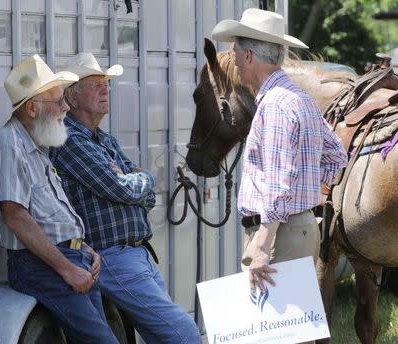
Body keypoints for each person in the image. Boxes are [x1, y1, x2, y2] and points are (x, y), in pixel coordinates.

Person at [50, 52, 201, 344]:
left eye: (106, 84)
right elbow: (122, 188)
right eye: (96, 84)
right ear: (72, 96)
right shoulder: (69, 138)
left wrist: (136, 182)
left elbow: (145, 195)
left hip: (133, 254)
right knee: (183, 334)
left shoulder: (102, 138)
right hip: (111, 256)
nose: (105, 89)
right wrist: (136, 181)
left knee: (165, 336)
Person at [0, 54, 119, 344]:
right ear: (32, 108)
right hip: (40, 265)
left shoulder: (38, 145)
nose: (66, 108)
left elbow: (50, 216)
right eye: (58, 101)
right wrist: (67, 269)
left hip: (70, 258)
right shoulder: (8, 144)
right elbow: (15, 216)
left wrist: (84, 248)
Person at [211, 9, 348, 294]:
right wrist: (303, 190)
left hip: (277, 237)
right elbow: (337, 156)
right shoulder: (301, 100)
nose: (233, 58)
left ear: (249, 56)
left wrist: (262, 245)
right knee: (296, 334)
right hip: (301, 229)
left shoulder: (273, 105)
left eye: (236, 50)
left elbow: (277, 181)